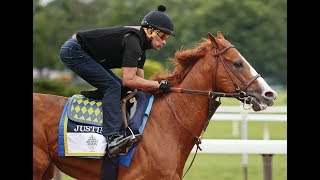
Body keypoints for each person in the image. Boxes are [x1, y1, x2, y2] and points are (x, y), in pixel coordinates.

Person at [59, 5, 174, 158]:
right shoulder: (133, 42)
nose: (164, 42)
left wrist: (163, 88)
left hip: (87, 54)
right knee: (113, 87)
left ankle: (100, 95)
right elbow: (129, 79)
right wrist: (158, 84)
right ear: (150, 31)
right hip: (74, 51)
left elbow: (138, 84)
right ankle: (113, 138)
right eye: (164, 36)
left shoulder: (141, 50)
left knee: (122, 89)